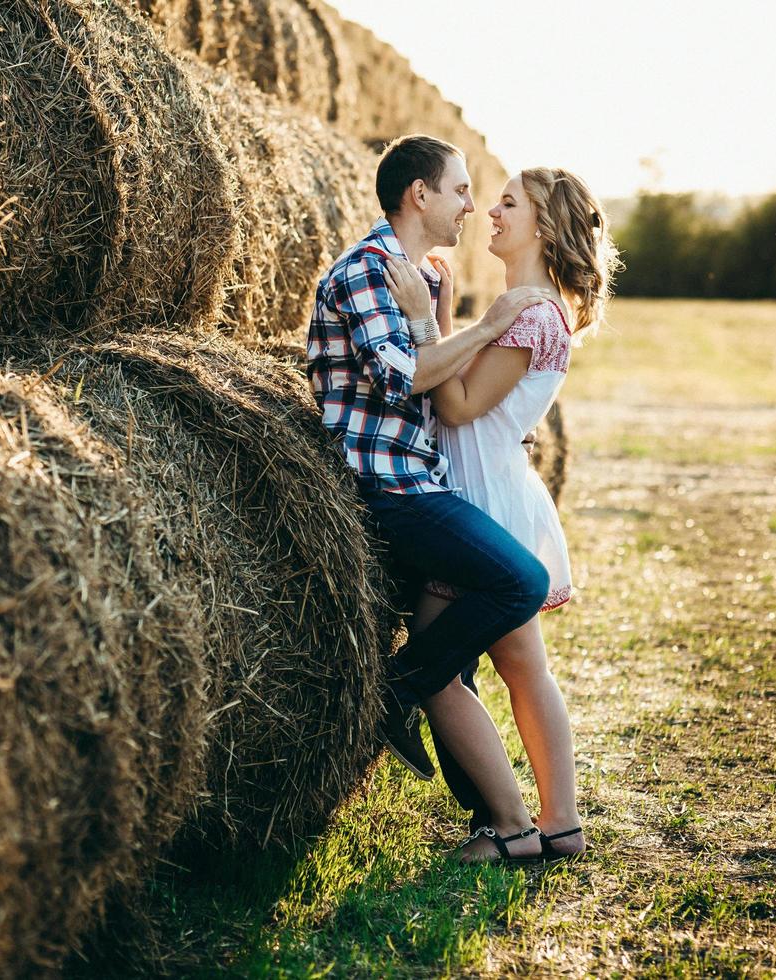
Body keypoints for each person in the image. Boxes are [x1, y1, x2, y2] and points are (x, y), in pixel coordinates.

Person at [305, 135, 556, 800]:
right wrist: (485, 324)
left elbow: (442, 392)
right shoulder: (366, 272)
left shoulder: (417, 274)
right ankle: (394, 691)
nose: (473, 206)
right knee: (520, 582)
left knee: (455, 656)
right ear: (420, 195)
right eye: (461, 189)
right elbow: (405, 380)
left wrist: (436, 315)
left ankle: (491, 820)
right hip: (387, 488)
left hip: (421, 479)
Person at [383, 166, 621, 861]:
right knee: (523, 670)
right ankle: (560, 822)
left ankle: (512, 826)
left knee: (434, 673)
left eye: (509, 203)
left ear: (543, 226)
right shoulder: (528, 305)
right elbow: (470, 395)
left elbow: (454, 406)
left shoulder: (534, 313)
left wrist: (426, 323)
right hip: (495, 492)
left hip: (482, 505)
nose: (491, 210)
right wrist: (453, 315)